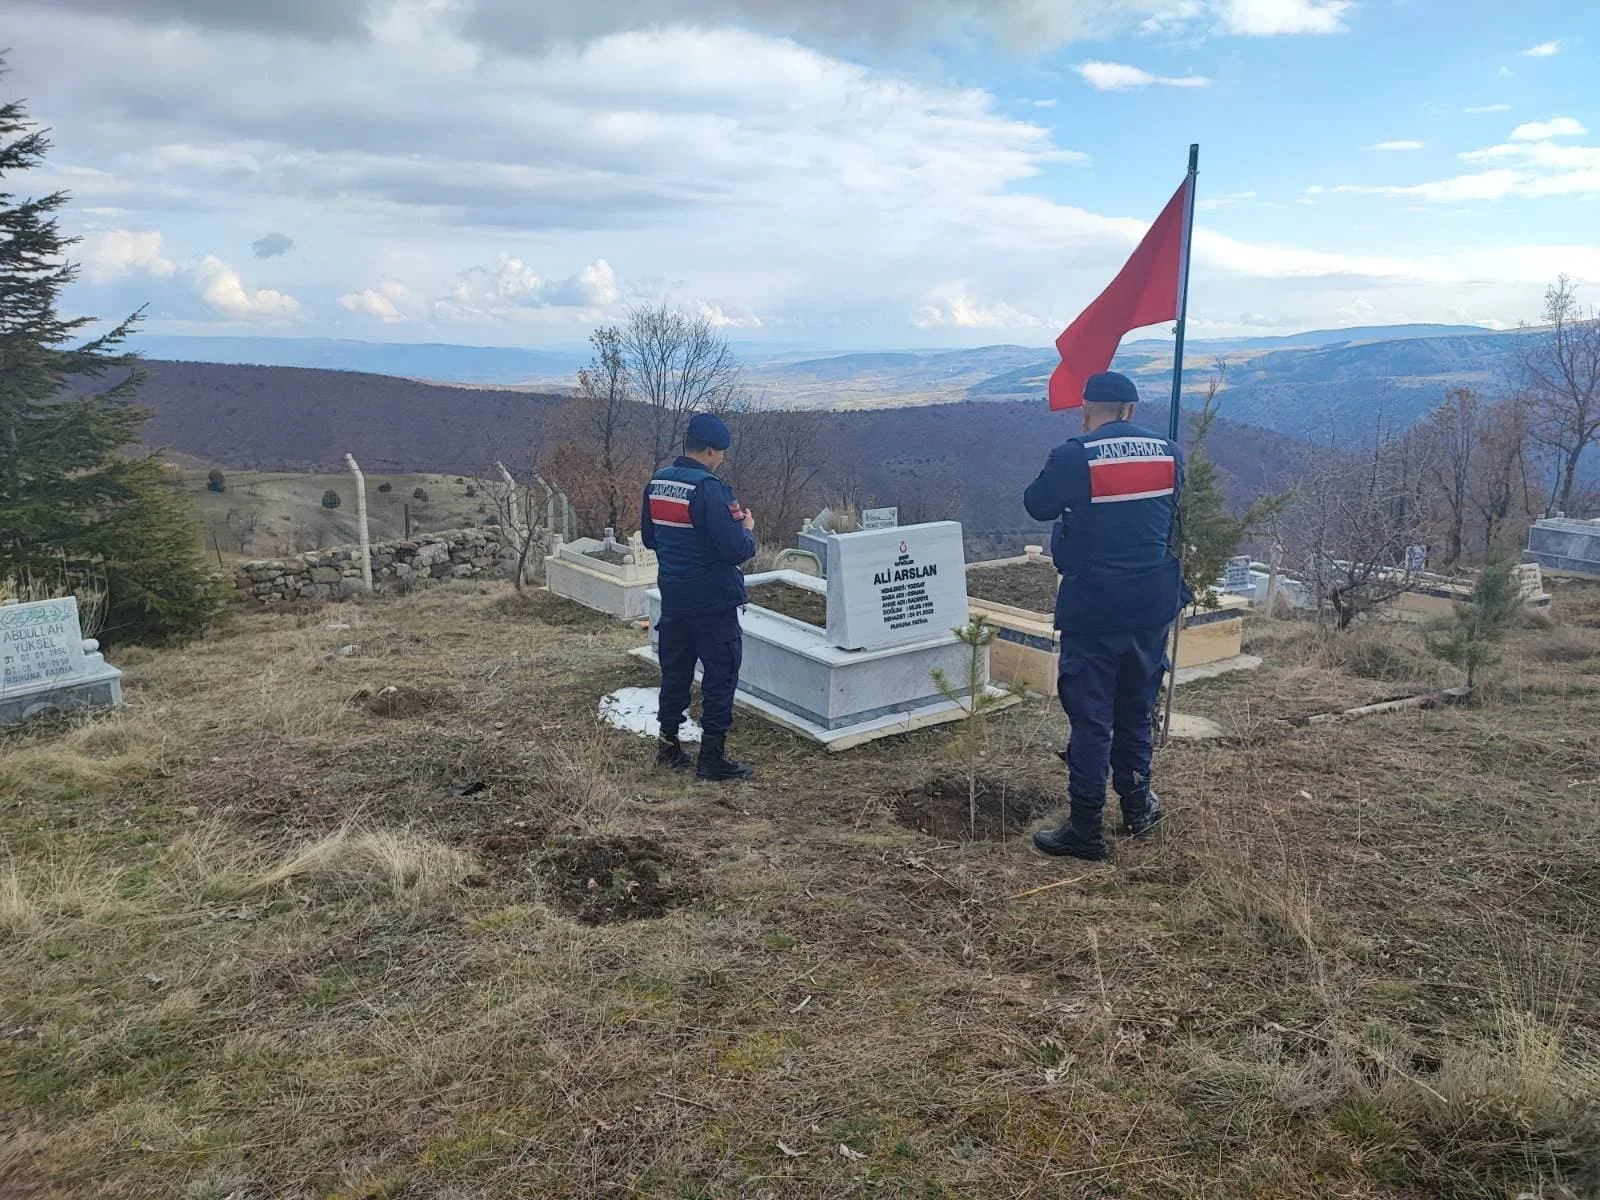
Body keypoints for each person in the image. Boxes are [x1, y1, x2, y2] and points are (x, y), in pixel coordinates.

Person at [1022, 370, 1187, 860]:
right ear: (1131, 410)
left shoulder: (1076, 455)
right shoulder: (1171, 454)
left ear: (1085, 408)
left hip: (1094, 607)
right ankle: (1138, 809)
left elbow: (1037, 504)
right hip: (1152, 604)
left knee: (1092, 718)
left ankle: (1086, 828)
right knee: (1136, 708)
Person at [639, 412, 757, 782]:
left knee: (675, 671)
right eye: (720, 452)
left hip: (674, 596)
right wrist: (748, 529)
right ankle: (712, 756)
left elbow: (650, 539)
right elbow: (736, 549)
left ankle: (668, 744)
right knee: (720, 674)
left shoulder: (657, 483)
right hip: (712, 600)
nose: (721, 459)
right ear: (709, 450)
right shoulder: (709, 488)